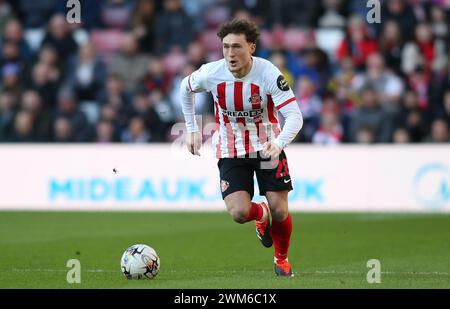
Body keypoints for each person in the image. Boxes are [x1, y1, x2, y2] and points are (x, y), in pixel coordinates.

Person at [180, 19, 303, 277]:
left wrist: (279, 143)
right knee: (238, 212)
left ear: (252, 48)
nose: (230, 53)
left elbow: (295, 116)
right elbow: (185, 88)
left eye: (237, 47)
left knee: (280, 210)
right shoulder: (212, 72)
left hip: (267, 145)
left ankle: (281, 259)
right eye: (225, 47)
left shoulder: (268, 73)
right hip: (231, 149)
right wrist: (191, 128)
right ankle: (260, 214)